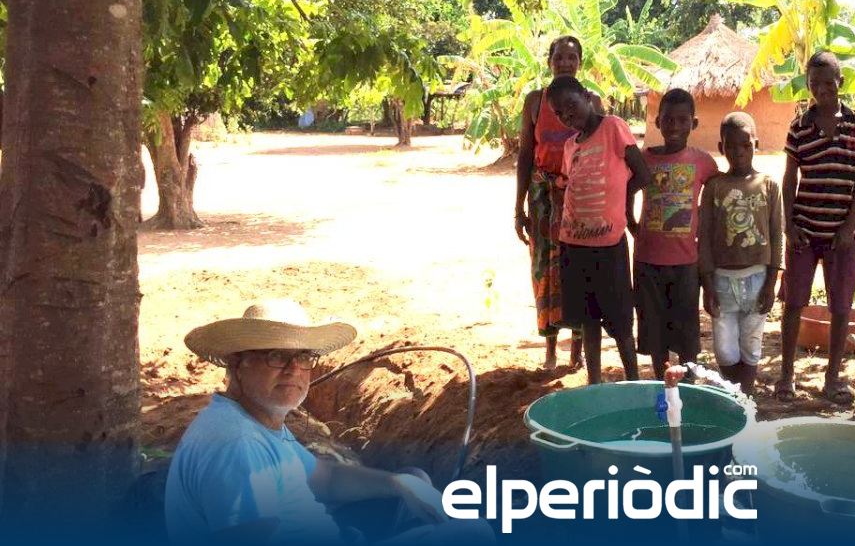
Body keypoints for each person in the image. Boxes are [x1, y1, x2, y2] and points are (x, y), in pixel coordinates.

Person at [164, 299, 494, 545]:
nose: (294, 369)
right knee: (472, 534)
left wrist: (399, 484)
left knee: (413, 478)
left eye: (303, 356)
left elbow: (324, 477)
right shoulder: (237, 445)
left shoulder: (255, 422)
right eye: (276, 356)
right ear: (239, 364)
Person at [776, 51, 855, 404]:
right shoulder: (799, 127)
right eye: (814, 83)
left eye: (828, 82)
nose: (821, 89)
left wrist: (848, 227)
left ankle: (832, 378)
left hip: (842, 237)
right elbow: (790, 179)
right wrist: (789, 225)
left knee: (841, 307)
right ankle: (787, 376)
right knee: (793, 304)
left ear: (840, 82)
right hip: (804, 232)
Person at [547, 75, 652, 384]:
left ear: (585, 95)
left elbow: (642, 174)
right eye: (559, 113)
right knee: (588, 320)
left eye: (571, 105)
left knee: (620, 321)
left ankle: (633, 381)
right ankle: (594, 383)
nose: (567, 115)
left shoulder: (613, 127)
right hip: (573, 245)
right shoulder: (570, 145)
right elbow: (570, 185)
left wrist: (623, 205)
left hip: (608, 246)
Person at [514, 36, 603, 370]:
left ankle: (576, 353)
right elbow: (525, 155)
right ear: (549, 61)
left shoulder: (592, 101)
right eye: (559, 57)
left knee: (577, 268)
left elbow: (601, 153)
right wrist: (519, 207)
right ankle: (550, 351)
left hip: (580, 197)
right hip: (542, 199)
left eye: (572, 57)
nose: (565, 63)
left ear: (580, 62)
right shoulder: (535, 102)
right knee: (544, 271)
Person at [631, 89, 718, 380]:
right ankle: (662, 381)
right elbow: (626, 190)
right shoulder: (644, 159)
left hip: (686, 263)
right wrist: (631, 223)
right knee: (654, 329)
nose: (675, 126)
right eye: (668, 120)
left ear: (694, 123)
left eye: (683, 120)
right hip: (648, 261)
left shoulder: (704, 162)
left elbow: (716, 197)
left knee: (686, 329)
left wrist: (703, 225)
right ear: (658, 122)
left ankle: (689, 383)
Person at [697, 113, 783, 395]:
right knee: (724, 349)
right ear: (721, 148)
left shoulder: (769, 185)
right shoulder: (714, 187)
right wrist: (707, 284)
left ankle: (745, 399)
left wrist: (771, 283)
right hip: (722, 281)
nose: (739, 152)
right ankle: (734, 394)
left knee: (751, 345)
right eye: (731, 146)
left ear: (756, 144)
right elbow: (704, 237)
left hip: (758, 279)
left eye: (745, 145)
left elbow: (776, 235)